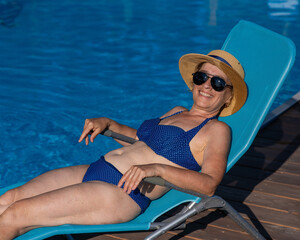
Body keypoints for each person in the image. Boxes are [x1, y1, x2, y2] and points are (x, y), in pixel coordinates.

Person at [0, 50, 247, 239]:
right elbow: (141, 141)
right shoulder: (177, 111)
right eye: (202, 77)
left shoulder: (216, 130)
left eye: (217, 83)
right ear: (193, 81)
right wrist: (109, 124)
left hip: (122, 192)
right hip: (95, 170)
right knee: (8, 199)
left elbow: (209, 184)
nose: (206, 86)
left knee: (16, 214)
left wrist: (156, 169)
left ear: (228, 96)